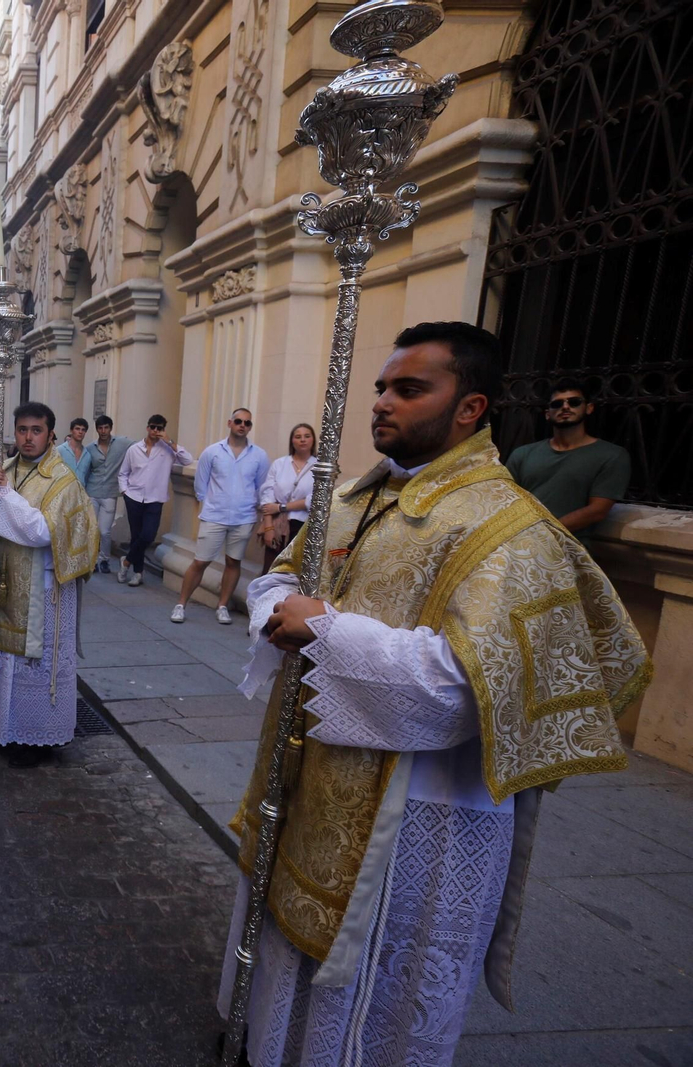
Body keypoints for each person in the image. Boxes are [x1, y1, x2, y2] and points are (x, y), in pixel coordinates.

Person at [220, 321, 650, 1067]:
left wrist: (324, 630)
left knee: (377, 997)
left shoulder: (510, 530)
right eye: (382, 386)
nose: (382, 402)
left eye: (409, 388)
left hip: (420, 806)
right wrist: (277, 611)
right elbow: (280, 575)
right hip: (316, 772)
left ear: (469, 407)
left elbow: (468, 689)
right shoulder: (358, 496)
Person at [0, 401, 97, 768]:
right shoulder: (2, 469)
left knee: (29, 666)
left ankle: (33, 736)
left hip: (41, 590)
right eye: (22, 430)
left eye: (36, 430)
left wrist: (2, 495)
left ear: (50, 434)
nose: (28, 437)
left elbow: (43, 531)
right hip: (1, 580)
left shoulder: (61, 479)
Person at [505, 378, 631, 545]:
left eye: (574, 402)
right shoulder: (523, 454)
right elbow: (505, 500)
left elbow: (597, 510)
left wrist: (544, 532)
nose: (565, 407)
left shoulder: (611, 455)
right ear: (547, 414)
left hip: (567, 550)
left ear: (589, 408)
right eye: (557, 404)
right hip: (517, 545)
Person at [173, 409, 268, 625]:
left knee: (234, 562)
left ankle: (222, 605)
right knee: (200, 561)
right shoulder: (212, 452)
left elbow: (261, 487)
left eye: (247, 423)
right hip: (214, 516)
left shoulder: (259, 455)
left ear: (250, 427)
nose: (242, 425)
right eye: (238, 421)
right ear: (230, 423)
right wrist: (209, 504)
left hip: (243, 518)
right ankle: (181, 604)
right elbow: (201, 484)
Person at [115, 414, 193, 587]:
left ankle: (126, 562)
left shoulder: (167, 450)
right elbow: (123, 473)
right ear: (147, 427)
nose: (155, 431)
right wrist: (125, 492)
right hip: (133, 497)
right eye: (152, 427)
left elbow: (187, 459)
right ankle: (138, 573)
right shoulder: (134, 449)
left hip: (155, 498)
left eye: (159, 428)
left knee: (148, 535)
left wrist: (169, 441)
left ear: (163, 430)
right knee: (136, 536)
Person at [257, 422, 315, 572]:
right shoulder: (279, 464)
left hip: (303, 526)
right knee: (270, 570)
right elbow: (267, 497)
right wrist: (269, 528)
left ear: (313, 440)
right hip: (277, 525)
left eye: (307, 436)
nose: (303, 440)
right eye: (298, 436)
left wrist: (281, 507)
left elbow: (313, 500)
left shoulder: (319, 467)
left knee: (293, 572)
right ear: (292, 441)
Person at [84, 415, 135, 575]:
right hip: (92, 492)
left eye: (106, 427)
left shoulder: (121, 443)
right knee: (92, 528)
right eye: (100, 428)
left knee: (104, 531)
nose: (103, 431)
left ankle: (104, 559)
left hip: (110, 494)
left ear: (110, 428)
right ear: (97, 429)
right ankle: (91, 561)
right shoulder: (90, 448)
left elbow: (139, 447)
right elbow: (86, 469)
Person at [56, 416, 94, 486]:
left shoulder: (87, 455)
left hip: (80, 493)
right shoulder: (60, 450)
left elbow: (86, 477)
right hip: (62, 491)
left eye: (83, 430)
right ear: (71, 430)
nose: (80, 432)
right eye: (77, 429)